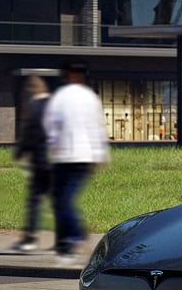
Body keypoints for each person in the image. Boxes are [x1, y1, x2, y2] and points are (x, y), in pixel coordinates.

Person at [43, 61, 110, 256]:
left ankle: (77, 235)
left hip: (71, 156)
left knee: (62, 199)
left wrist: (53, 147)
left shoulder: (62, 97)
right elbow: (97, 127)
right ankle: (64, 240)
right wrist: (100, 154)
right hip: (76, 156)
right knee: (60, 199)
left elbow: (52, 126)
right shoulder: (88, 98)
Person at [11, 75, 52, 252]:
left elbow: (30, 133)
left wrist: (20, 152)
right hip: (58, 159)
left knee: (34, 201)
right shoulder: (54, 105)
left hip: (41, 160)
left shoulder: (34, 106)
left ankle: (30, 239)